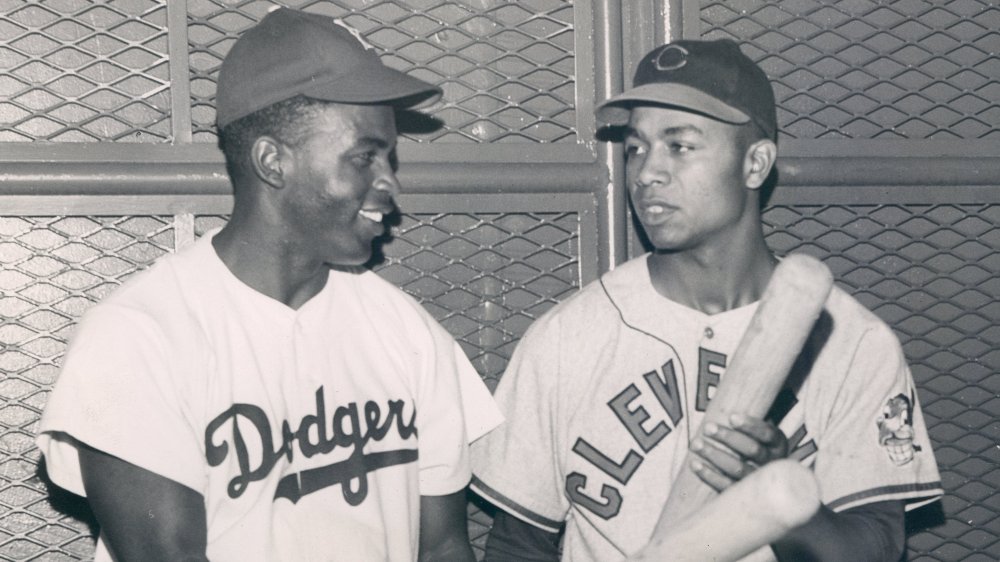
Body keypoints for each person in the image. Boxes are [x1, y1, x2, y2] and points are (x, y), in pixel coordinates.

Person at [36, 8, 502, 562]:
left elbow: (445, 548)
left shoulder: (407, 333)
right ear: (272, 161)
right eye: (365, 157)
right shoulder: (140, 337)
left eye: (390, 158)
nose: (390, 183)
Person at [469, 38, 942, 561]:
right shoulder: (567, 339)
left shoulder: (854, 344)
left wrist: (778, 496)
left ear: (756, 163)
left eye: (680, 145)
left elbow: (875, 549)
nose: (647, 171)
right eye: (636, 148)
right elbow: (518, 546)